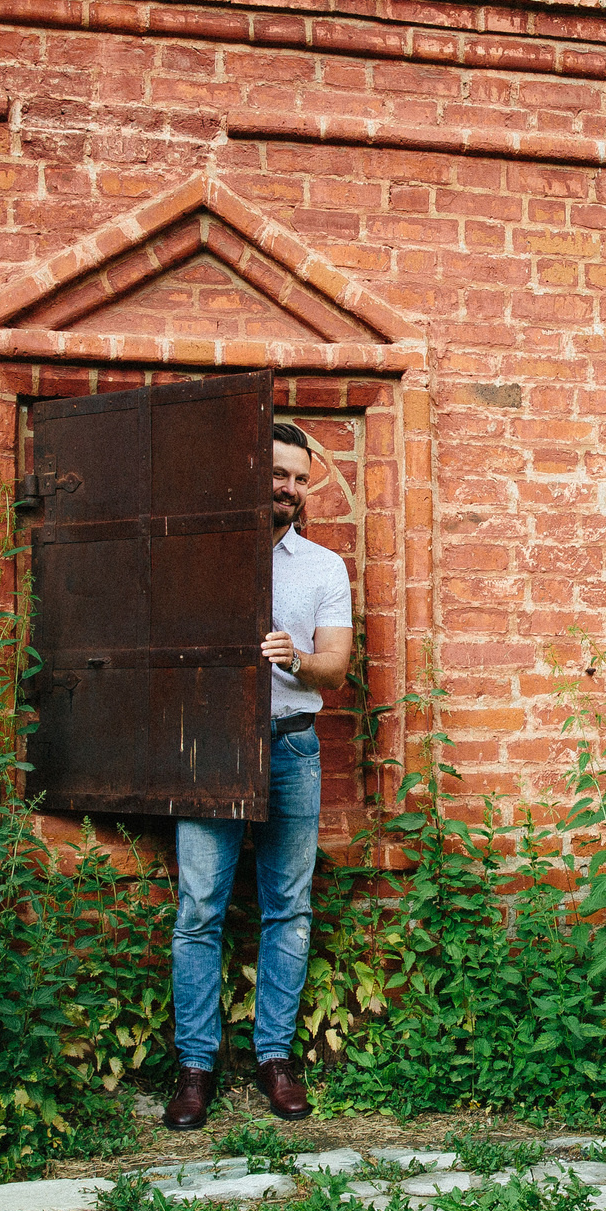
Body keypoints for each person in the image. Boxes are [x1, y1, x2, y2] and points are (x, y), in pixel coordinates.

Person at [164, 422, 353, 1129]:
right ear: (250, 471)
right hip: (211, 746)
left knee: (289, 905)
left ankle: (275, 1057)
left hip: (291, 747)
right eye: (280, 474)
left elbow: (336, 664)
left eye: (301, 479)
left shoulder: (322, 568)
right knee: (200, 906)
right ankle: (195, 1067)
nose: (291, 489)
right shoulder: (200, 554)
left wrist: (296, 657)